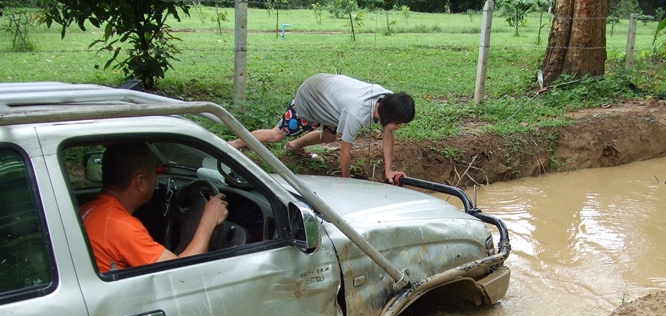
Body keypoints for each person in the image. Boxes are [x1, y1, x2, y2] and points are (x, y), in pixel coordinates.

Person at [229, 74, 415, 183]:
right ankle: (233, 144)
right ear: (387, 114)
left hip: (332, 101)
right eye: (398, 122)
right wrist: (347, 182)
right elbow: (345, 151)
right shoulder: (357, 114)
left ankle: (294, 146)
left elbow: (388, 134)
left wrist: (389, 171)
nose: (399, 126)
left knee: (329, 137)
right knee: (275, 135)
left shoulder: (388, 99)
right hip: (312, 97)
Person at [80, 143, 228, 273]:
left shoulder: (87, 209)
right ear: (140, 182)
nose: (156, 181)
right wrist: (209, 220)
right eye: (154, 174)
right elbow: (178, 273)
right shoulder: (121, 227)